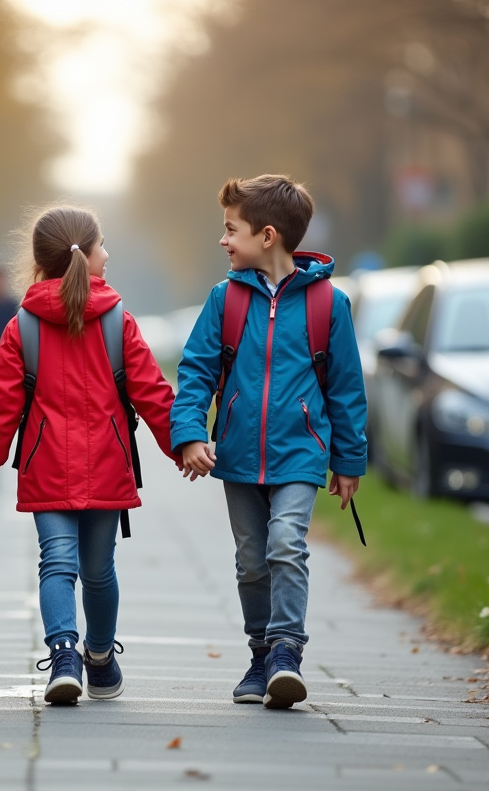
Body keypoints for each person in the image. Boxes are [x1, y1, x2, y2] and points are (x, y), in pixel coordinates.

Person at [170, 174, 367, 710]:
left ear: (268, 236)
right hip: (237, 456)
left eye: (230, 229)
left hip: (300, 454)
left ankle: (286, 651)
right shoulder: (224, 300)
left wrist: (348, 460)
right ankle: (260, 653)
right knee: (252, 560)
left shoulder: (330, 304)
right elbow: (195, 374)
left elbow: (347, 389)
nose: (223, 240)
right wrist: (189, 434)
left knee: (286, 543)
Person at [0, 205, 179, 705]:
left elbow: (3, 405)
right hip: (109, 465)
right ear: (87, 256)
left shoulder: (22, 326)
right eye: (103, 246)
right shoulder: (118, 321)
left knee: (57, 564)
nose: (107, 253)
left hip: (44, 466)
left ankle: (65, 655)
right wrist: (183, 445)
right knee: (99, 570)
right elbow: (152, 392)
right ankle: (96, 656)